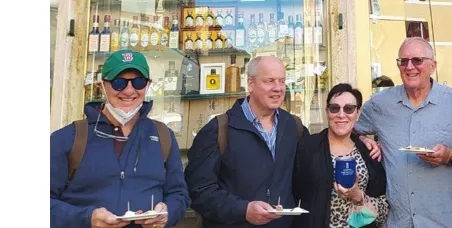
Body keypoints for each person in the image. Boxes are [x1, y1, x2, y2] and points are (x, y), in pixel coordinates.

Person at [50, 49, 190, 228]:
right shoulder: (69, 138)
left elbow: (179, 194)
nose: (129, 90)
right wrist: (87, 218)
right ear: (102, 86)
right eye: (119, 83)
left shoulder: (163, 135)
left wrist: (166, 212)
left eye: (138, 82)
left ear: (148, 85)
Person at [354, 37, 452, 227]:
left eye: (417, 60)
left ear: (433, 66)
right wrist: (363, 139)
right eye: (403, 61)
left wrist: (450, 156)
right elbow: (347, 127)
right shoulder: (381, 104)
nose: (409, 66)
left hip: (446, 221)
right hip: (398, 221)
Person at [185, 56, 307, 228]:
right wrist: (243, 210)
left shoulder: (294, 127)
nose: (278, 88)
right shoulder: (219, 129)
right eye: (269, 81)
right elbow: (198, 190)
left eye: (282, 81)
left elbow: (310, 176)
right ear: (250, 84)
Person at [293, 84, 389, 228]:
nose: (341, 114)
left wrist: (358, 196)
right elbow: (293, 193)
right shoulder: (307, 147)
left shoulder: (369, 153)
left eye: (349, 108)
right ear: (327, 112)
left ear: (358, 113)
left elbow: (383, 208)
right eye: (334, 108)